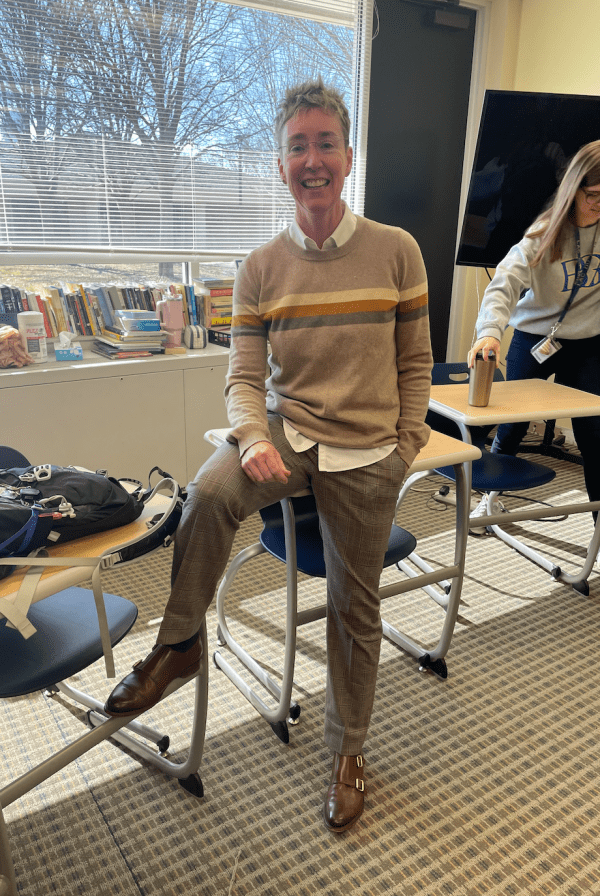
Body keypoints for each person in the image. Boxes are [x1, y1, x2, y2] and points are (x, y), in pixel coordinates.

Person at [104, 78, 432, 833]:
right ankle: (178, 645)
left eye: (325, 144)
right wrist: (252, 437)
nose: (312, 160)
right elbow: (244, 379)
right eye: (297, 147)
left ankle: (348, 752)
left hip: (369, 444)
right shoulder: (257, 267)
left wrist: (406, 446)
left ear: (348, 156)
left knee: (356, 607)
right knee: (209, 493)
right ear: (280, 165)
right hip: (289, 427)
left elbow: (416, 362)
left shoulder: (397, 251)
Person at [467, 139, 600, 531]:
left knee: (594, 435)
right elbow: (504, 284)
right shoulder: (544, 233)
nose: (599, 204)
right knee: (513, 425)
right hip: (534, 336)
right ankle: (490, 500)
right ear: (573, 189)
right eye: (592, 195)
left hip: (588, 343)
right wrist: (490, 333)